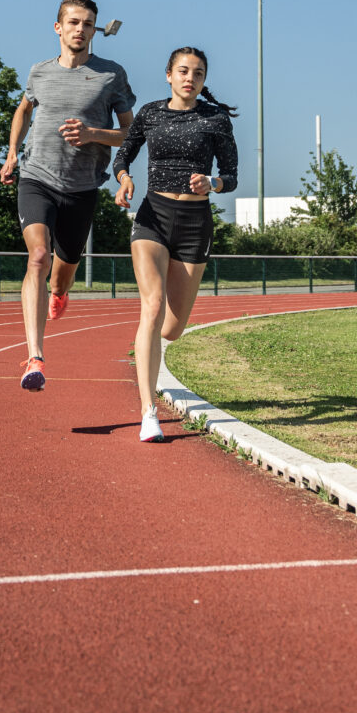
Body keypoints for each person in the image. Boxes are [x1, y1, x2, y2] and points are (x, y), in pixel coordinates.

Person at [1, 0, 134, 392]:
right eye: (74, 22)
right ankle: (35, 356)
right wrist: (11, 154)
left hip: (81, 186)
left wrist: (94, 134)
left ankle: (60, 292)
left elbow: (131, 134)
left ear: (95, 31)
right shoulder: (39, 72)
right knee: (37, 256)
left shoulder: (111, 76)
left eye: (88, 24)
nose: (81, 29)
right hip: (36, 176)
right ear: (58, 27)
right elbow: (24, 110)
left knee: (62, 272)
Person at [113, 48, 238, 441]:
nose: (190, 78)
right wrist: (124, 179)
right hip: (154, 216)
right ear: (169, 74)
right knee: (150, 307)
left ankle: (149, 347)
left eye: (198, 73)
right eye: (183, 71)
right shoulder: (150, 113)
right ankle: (148, 411)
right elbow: (124, 154)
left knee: (172, 329)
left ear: (203, 80)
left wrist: (212, 183)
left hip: (195, 223)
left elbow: (231, 176)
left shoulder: (214, 119)